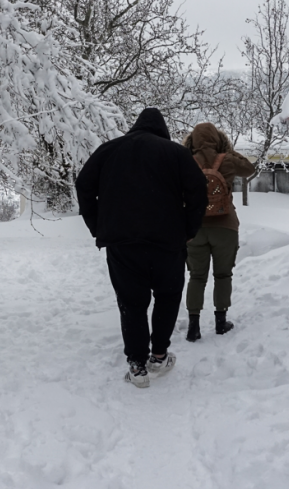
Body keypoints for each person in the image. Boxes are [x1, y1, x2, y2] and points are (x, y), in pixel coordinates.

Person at [75, 108, 208, 388]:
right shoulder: (175, 153)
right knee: (168, 296)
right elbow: (198, 191)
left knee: (131, 303)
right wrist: (189, 230)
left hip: (123, 244)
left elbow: (84, 184)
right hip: (167, 242)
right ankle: (159, 357)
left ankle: (137, 366)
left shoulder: (109, 151)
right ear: (163, 130)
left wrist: (98, 225)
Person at [181, 123, 257, 342]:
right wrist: (228, 151)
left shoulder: (184, 160)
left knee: (196, 276)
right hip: (225, 226)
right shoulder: (228, 160)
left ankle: (193, 326)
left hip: (195, 228)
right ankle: (221, 322)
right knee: (223, 275)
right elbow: (249, 169)